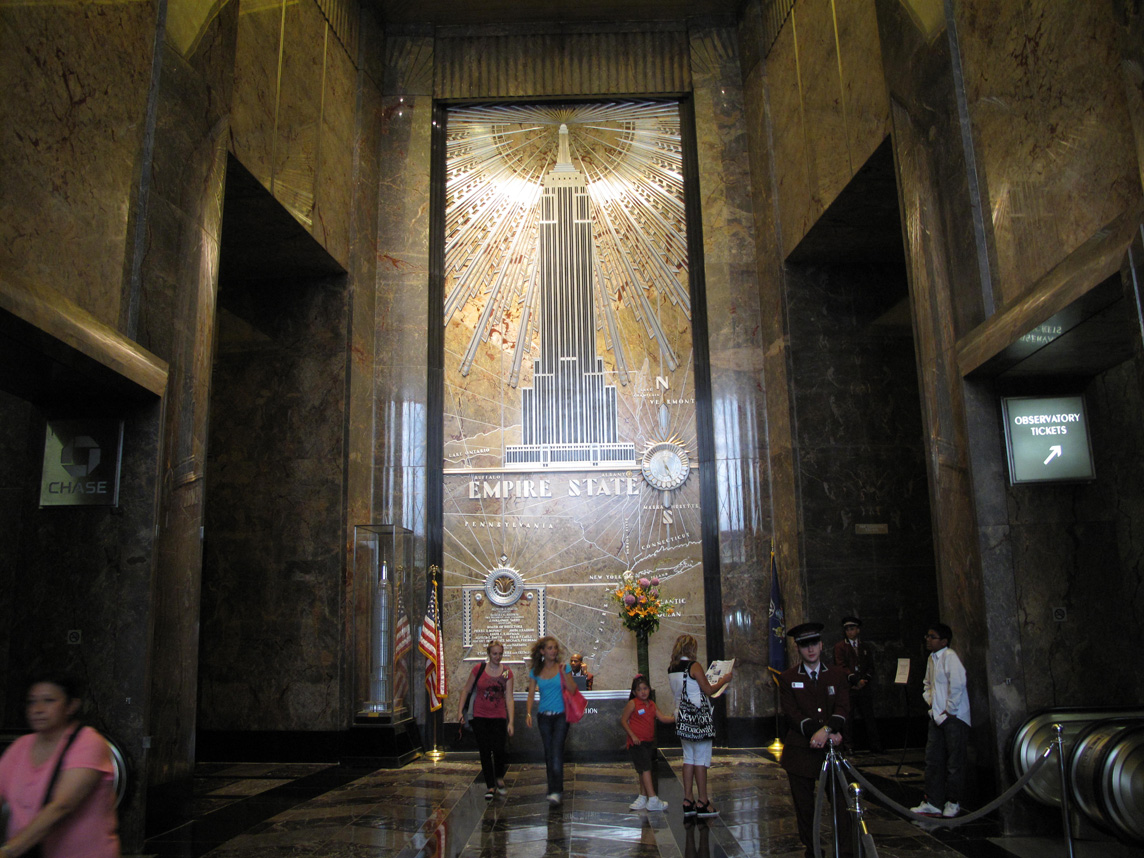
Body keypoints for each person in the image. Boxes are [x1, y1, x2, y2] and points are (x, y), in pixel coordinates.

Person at [0, 674, 120, 858]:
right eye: (32, 702)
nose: (38, 709)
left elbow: (62, 806)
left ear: (71, 706)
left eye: (49, 700)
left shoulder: (88, 742)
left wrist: (9, 850)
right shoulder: (20, 747)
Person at [779, 622, 852, 858]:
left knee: (841, 805)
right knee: (805, 807)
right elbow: (792, 714)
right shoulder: (788, 677)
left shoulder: (837, 674)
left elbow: (842, 706)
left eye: (814, 644)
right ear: (798, 649)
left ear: (821, 645)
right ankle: (813, 850)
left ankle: (844, 850)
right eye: (804, 645)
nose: (810, 650)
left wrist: (828, 730)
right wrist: (819, 732)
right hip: (801, 751)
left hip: (832, 750)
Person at [667, 634, 732, 818]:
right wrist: (724, 679)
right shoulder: (693, 666)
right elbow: (709, 691)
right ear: (691, 649)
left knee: (688, 758)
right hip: (698, 718)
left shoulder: (672, 668)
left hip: (681, 715)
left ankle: (688, 800)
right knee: (701, 760)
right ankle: (703, 801)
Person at [911, 622, 970, 819]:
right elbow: (927, 683)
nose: (928, 640)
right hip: (936, 716)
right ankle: (933, 802)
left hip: (954, 718)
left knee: (954, 761)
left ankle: (953, 801)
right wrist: (931, 702)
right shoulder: (932, 658)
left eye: (932, 637)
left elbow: (959, 683)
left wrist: (950, 710)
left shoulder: (949, 657)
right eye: (927, 636)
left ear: (944, 641)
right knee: (933, 760)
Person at [455, 640, 514, 800]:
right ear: (489, 654)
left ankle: (499, 776)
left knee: (499, 749)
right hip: (480, 716)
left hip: (499, 716)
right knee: (485, 751)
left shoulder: (506, 672)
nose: (498, 657)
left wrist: (511, 721)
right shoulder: (479, 669)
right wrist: (460, 711)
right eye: (495, 654)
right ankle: (490, 785)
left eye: (500, 654)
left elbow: (509, 697)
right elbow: (466, 690)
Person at [524, 636, 579, 805]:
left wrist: (564, 674)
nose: (553, 651)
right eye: (549, 648)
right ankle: (553, 788)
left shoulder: (564, 667)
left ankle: (555, 790)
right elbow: (532, 693)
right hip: (544, 717)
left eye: (555, 648)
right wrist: (528, 713)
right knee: (549, 752)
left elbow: (573, 689)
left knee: (556, 751)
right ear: (542, 651)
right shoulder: (536, 671)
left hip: (561, 716)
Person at [619, 674, 675, 812]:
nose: (643, 692)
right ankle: (653, 798)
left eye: (645, 688)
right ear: (634, 692)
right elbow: (623, 721)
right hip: (637, 743)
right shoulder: (633, 704)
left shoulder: (651, 704)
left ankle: (643, 797)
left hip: (648, 742)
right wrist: (632, 736)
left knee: (642, 769)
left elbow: (662, 718)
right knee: (645, 768)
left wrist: (676, 717)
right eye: (639, 689)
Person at [832, 616, 883, 753]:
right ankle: (848, 746)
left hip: (864, 687)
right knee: (848, 718)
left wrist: (864, 680)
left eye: (852, 629)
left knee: (869, 717)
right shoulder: (840, 647)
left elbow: (870, 666)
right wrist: (854, 680)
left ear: (858, 630)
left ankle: (875, 745)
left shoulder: (865, 647)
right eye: (847, 629)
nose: (850, 632)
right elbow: (841, 666)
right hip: (849, 687)